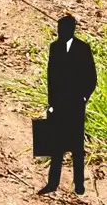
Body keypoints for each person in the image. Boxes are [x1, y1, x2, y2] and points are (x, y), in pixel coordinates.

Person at [43, 14, 97, 195]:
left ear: (72, 29)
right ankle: (52, 183)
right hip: (58, 103)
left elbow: (91, 76)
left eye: (65, 29)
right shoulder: (55, 47)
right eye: (60, 29)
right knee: (56, 145)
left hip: (75, 103)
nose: (61, 32)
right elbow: (51, 77)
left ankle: (79, 184)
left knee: (76, 145)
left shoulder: (83, 48)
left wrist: (83, 97)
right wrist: (51, 103)